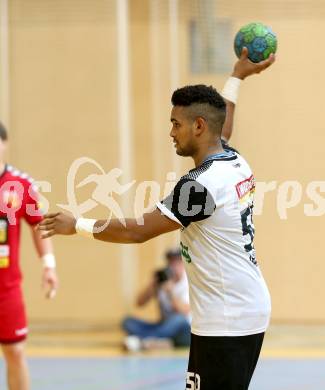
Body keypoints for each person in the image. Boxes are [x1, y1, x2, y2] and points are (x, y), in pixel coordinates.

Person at [38, 48, 275, 389]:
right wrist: (236, 77)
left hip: (227, 316)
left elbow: (137, 231)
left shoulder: (199, 186)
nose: (171, 132)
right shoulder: (234, 161)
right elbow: (225, 124)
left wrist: (77, 225)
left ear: (198, 126)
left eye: (176, 124)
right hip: (241, 306)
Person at [0, 123, 58, 390]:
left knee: (16, 353)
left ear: (5, 144)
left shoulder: (19, 185)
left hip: (6, 289)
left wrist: (49, 265)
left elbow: (38, 224)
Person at [122, 248, 190, 351]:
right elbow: (139, 303)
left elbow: (183, 311)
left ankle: (143, 340)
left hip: (183, 330)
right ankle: (157, 341)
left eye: (177, 262)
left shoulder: (187, 282)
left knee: (178, 320)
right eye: (171, 262)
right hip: (163, 326)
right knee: (128, 322)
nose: (174, 266)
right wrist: (151, 286)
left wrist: (170, 292)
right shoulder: (162, 281)